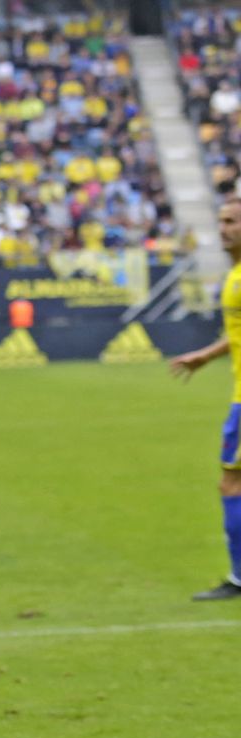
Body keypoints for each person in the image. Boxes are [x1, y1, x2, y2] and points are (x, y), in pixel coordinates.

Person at [168, 194, 241, 600]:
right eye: (222, 221)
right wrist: (205, 356)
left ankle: (239, 577)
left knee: (232, 484)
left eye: (232, 221)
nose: (224, 228)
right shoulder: (234, 276)